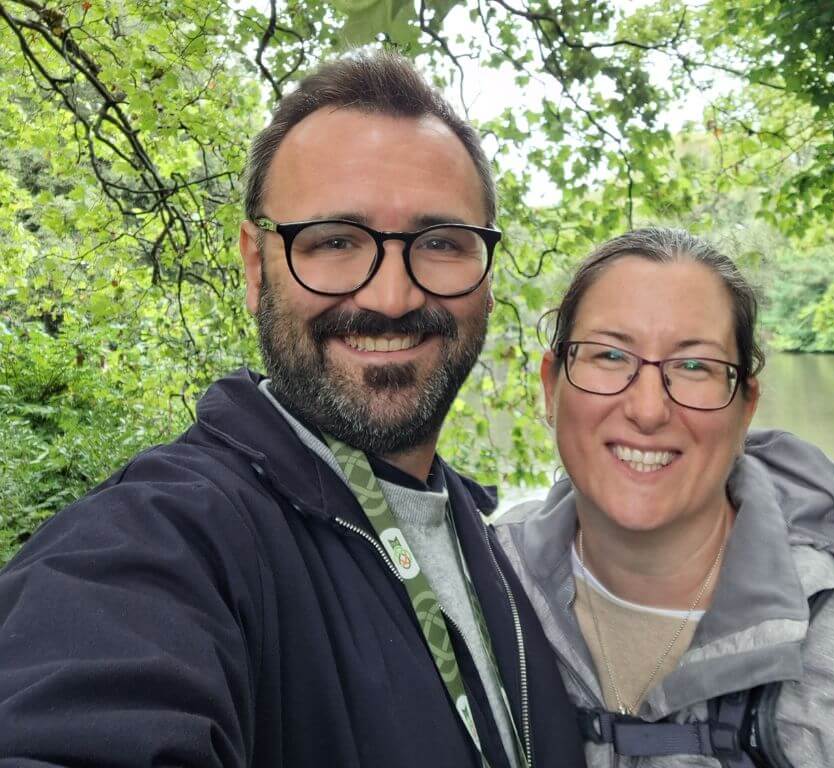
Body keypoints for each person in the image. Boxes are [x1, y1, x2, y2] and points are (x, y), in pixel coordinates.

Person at [0, 51, 585, 768]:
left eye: (439, 243)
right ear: (255, 266)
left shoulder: (503, 551)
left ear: (488, 275)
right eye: (335, 242)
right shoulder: (168, 536)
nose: (392, 297)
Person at [494, 227, 834, 768]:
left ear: (745, 408)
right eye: (609, 354)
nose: (648, 409)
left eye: (694, 365)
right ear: (550, 386)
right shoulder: (483, 589)